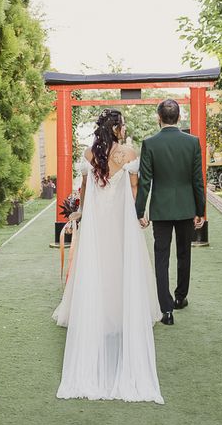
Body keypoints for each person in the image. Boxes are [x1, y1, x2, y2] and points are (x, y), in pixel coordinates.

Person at [53, 109, 164, 404]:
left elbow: (86, 189)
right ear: (116, 129)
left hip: (98, 221)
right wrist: (141, 215)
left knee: (98, 267)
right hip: (121, 221)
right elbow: (135, 187)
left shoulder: (90, 154)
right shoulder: (127, 154)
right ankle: (121, 317)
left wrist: (81, 212)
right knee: (122, 266)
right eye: (123, 125)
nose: (124, 130)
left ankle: (100, 317)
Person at [135, 99, 206, 326]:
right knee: (184, 254)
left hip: (161, 209)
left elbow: (145, 181)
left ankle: (166, 310)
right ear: (179, 116)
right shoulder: (193, 142)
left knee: (161, 258)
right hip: (186, 207)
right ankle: (180, 297)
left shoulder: (149, 143)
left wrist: (139, 211)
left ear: (158, 118)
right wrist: (200, 210)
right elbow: (198, 180)